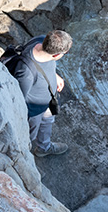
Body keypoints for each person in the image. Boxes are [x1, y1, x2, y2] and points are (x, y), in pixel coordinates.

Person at [14, 29, 72, 157]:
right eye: (65, 53)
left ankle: (44, 147)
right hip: (34, 111)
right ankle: (23, 155)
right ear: (56, 55)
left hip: (48, 101)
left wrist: (55, 75)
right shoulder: (26, 72)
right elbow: (19, 98)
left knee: (48, 122)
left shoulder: (40, 40)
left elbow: (47, 65)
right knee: (29, 136)